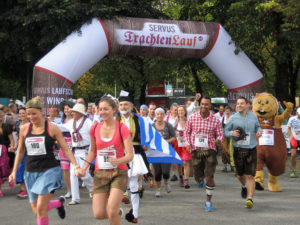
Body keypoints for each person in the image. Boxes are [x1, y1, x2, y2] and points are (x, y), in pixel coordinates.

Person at [8, 96, 80, 225]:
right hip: (30, 172)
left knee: (41, 208)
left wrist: (75, 165)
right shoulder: (24, 129)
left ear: (41, 112)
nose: (31, 117)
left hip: (49, 170)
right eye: (28, 114)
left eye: (34, 114)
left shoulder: (52, 128)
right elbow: (20, 151)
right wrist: (13, 172)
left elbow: (66, 148)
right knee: (37, 210)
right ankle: (58, 203)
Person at [78, 96, 134, 225]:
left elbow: (130, 155)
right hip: (100, 173)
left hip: (118, 173)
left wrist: (119, 160)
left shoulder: (122, 128)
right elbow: (93, 151)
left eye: (106, 109)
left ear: (114, 110)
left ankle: (114, 212)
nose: (103, 112)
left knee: (111, 211)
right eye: (100, 109)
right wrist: (83, 168)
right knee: (99, 214)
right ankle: (117, 212)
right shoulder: (95, 128)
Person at [184, 96, 223, 212]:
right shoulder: (192, 117)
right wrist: (187, 144)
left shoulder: (215, 120)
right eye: (202, 104)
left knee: (209, 176)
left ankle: (208, 200)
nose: (204, 106)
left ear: (210, 106)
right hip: (196, 150)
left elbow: (221, 134)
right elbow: (187, 132)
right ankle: (200, 180)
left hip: (210, 150)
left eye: (206, 104)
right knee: (198, 176)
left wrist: (218, 140)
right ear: (199, 104)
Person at [224, 96, 262, 209]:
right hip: (238, 150)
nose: (239, 105)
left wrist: (259, 132)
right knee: (240, 175)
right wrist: (232, 133)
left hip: (251, 149)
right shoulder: (233, 118)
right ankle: (244, 186)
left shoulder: (254, 116)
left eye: (242, 103)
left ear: (246, 105)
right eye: (238, 103)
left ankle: (250, 198)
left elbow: (258, 127)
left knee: (250, 175)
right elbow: (225, 131)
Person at [119, 96, 150, 223]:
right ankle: (119, 205)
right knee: (119, 183)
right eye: (121, 105)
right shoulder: (115, 119)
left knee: (133, 184)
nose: (123, 107)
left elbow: (147, 134)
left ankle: (135, 214)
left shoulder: (139, 120)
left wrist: (145, 143)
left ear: (131, 106)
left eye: (126, 104)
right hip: (119, 155)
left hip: (135, 154)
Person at [63, 103, 94, 205]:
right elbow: (61, 127)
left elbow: (94, 134)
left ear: (80, 113)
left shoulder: (88, 122)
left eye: (74, 112)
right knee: (73, 174)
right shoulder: (71, 122)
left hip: (86, 151)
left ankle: (93, 188)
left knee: (84, 175)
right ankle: (75, 198)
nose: (72, 113)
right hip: (75, 151)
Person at [153, 107, 176, 197]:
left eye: (161, 114)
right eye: (157, 114)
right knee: (158, 172)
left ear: (164, 115)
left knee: (166, 172)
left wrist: (166, 141)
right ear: (155, 115)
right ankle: (158, 189)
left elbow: (174, 137)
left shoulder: (168, 125)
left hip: (166, 152)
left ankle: (166, 182)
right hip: (155, 153)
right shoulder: (152, 126)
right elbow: (148, 138)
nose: (159, 116)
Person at [58, 101, 74, 198]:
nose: (66, 110)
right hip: (63, 144)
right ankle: (69, 190)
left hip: (74, 145)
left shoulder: (76, 120)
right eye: (65, 109)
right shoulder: (61, 120)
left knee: (75, 168)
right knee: (65, 169)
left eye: (68, 108)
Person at [173, 105, 192, 189]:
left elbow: (192, 132)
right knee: (180, 163)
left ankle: (186, 180)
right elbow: (171, 132)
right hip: (177, 144)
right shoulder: (175, 122)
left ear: (185, 112)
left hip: (186, 144)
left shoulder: (189, 121)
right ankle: (181, 177)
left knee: (186, 162)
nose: (181, 112)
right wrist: (175, 133)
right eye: (179, 110)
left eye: (182, 110)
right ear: (177, 112)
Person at [15, 107, 29, 198]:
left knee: (26, 169)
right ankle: (23, 189)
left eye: (23, 113)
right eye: (20, 113)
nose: (21, 115)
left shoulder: (30, 124)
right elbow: (19, 138)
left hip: (29, 149)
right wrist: (14, 147)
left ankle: (28, 190)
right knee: (19, 169)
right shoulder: (17, 124)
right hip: (20, 149)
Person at [0, 110, 15, 196]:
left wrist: (11, 147)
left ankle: (10, 178)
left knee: (5, 169)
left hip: (5, 150)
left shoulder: (6, 126)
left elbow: (11, 140)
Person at [165, 103, 178, 182]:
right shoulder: (167, 118)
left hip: (176, 140)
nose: (176, 111)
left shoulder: (179, 118)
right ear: (171, 110)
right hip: (168, 139)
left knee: (174, 157)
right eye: (175, 110)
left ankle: (174, 174)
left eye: (177, 110)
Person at [287, 107, 300, 178]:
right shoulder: (292, 119)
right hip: (295, 138)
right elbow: (288, 128)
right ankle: (293, 170)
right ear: (297, 113)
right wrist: (290, 137)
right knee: (293, 155)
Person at [221, 106, 234, 172]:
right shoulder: (223, 118)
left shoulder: (233, 118)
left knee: (230, 151)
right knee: (224, 151)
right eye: (226, 111)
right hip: (224, 136)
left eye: (228, 111)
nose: (227, 112)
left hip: (231, 136)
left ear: (231, 112)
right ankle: (225, 166)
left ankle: (232, 165)